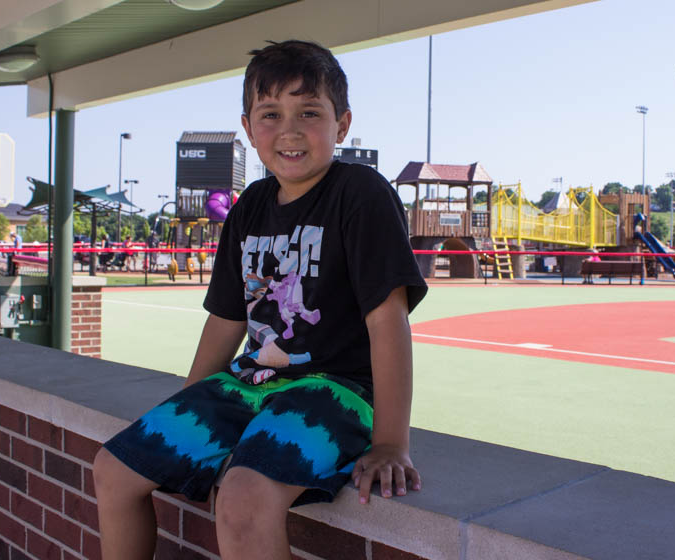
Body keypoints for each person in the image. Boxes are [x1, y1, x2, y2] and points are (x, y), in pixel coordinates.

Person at [93, 40, 428, 560]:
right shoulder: (251, 205)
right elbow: (226, 319)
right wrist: (187, 402)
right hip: (251, 382)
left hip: (335, 390)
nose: (290, 130)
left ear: (341, 125)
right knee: (112, 471)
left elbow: (389, 322)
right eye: (271, 114)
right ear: (248, 128)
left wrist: (391, 442)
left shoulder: (360, 194)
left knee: (244, 499)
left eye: (309, 112)